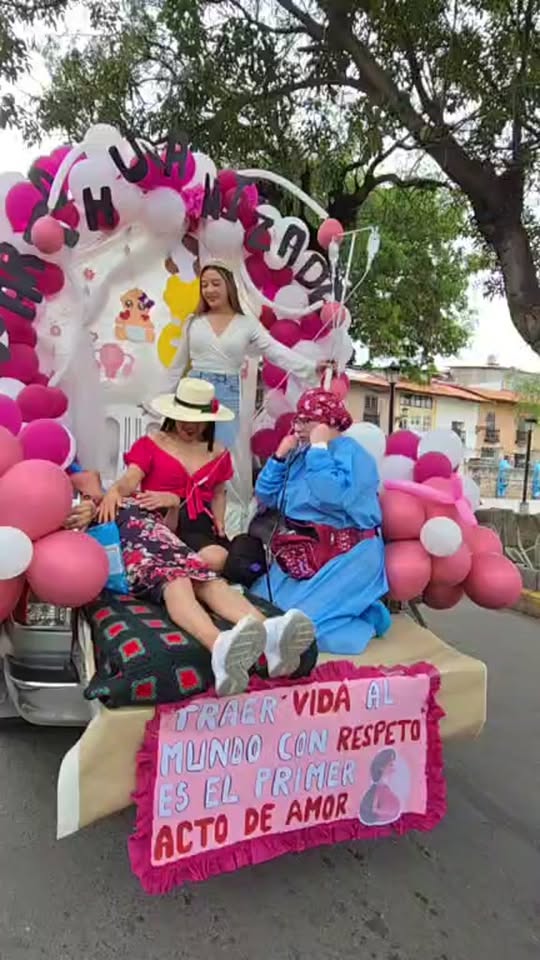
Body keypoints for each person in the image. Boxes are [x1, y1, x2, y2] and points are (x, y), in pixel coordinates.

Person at [97, 376, 315, 696]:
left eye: (197, 420)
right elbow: (129, 479)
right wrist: (114, 493)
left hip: (184, 529)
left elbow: (219, 492)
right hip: (154, 531)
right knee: (179, 577)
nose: (189, 425)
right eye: (184, 418)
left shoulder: (216, 454)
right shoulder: (124, 488)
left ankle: (271, 633)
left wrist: (219, 523)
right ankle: (219, 645)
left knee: (205, 573)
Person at [252, 388, 391, 655]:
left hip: (349, 554)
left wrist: (318, 449)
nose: (298, 426)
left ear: (329, 424)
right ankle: (355, 608)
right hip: (307, 550)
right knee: (265, 613)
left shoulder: (354, 455)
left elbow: (331, 495)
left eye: (307, 421)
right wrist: (279, 457)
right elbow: (266, 495)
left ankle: (368, 618)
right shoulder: (300, 455)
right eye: (298, 419)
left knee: (305, 629)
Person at [163, 261, 322, 447]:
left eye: (215, 284)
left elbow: (275, 350)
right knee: (187, 450)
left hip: (227, 393)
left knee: (220, 451)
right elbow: (177, 366)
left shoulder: (247, 324)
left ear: (229, 286)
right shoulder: (193, 322)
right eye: (204, 285)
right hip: (194, 392)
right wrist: (159, 400)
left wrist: (313, 367)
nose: (209, 290)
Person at [359, 749, 401, 826]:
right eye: (391, 765)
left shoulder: (386, 789)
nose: (394, 769)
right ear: (381, 768)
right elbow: (371, 812)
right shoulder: (376, 792)